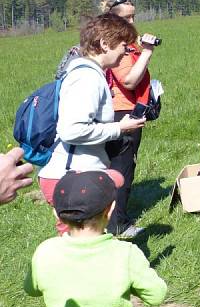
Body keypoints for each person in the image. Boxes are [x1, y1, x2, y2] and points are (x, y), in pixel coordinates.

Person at [24, 170, 167, 307]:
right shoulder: (125, 254)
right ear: (111, 209)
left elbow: (31, 289)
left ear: (56, 213)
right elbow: (157, 295)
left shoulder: (44, 252)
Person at [37, 13, 146, 235]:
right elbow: (72, 130)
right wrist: (119, 128)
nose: (127, 51)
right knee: (82, 250)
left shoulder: (89, 73)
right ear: (105, 44)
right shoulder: (86, 78)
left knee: (83, 249)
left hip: (76, 175)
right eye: (124, 45)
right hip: (71, 178)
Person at [101, 0, 160, 238]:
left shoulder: (124, 40)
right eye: (126, 17)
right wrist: (147, 52)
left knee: (125, 164)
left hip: (128, 109)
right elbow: (129, 80)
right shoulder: (115, 43)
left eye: (133, 16)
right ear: (112, 18)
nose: (132, 21)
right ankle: (118, 225)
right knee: (122, 168)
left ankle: (112, 217)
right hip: (122, 112)